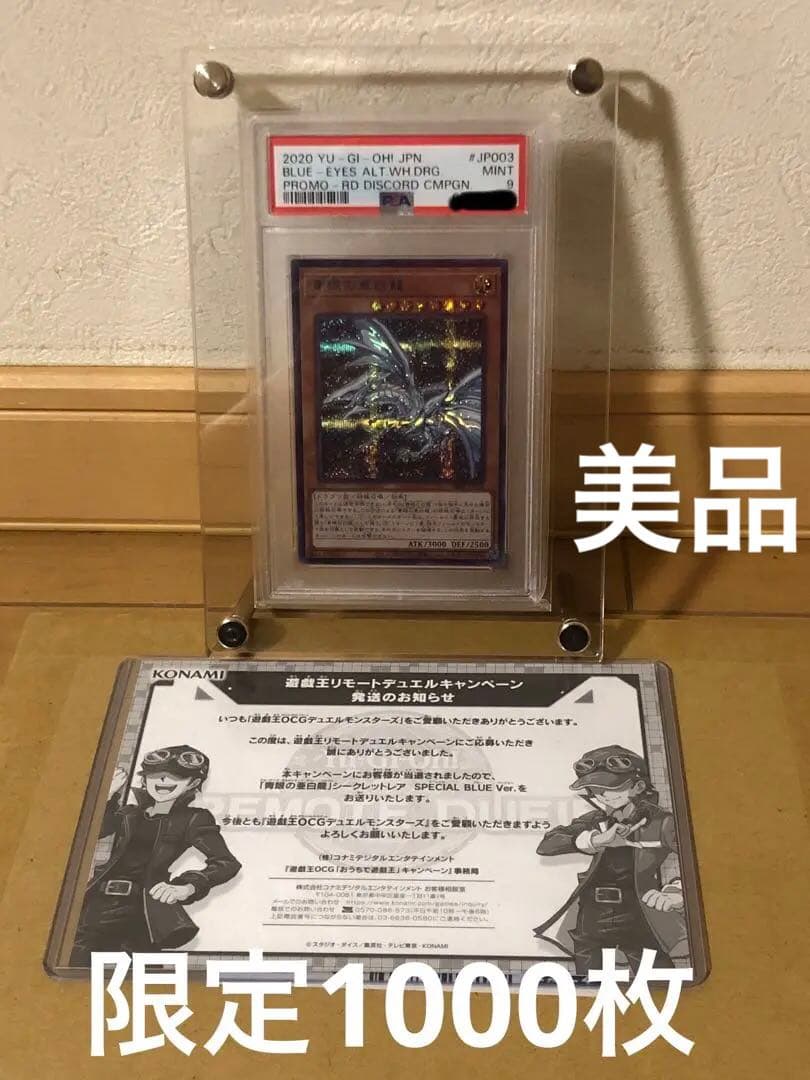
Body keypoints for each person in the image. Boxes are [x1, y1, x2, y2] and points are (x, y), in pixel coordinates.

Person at [71, 745, 241, 963]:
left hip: (141, 910)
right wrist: (107, 796)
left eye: (177, 776)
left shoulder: (192, 818)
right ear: (144, 779)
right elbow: (93, 832)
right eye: (156, 774)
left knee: (136, 972)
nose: (163, 780)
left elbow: (227, 863)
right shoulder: (130, 813)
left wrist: (187, 886)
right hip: (96, 904)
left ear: (193, 783)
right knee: (76, 962)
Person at [534, 744, 686, 976]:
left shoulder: (662, 822)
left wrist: (676, 892)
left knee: (660, 980)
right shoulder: (595, 819)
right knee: (591, 982)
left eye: (613, 787)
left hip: (639, 913)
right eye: (596, 789)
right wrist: (596, 840)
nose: (603, 794)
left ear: (638, 786)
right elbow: (547, 844)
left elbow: (696, 861)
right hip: (592, 915)